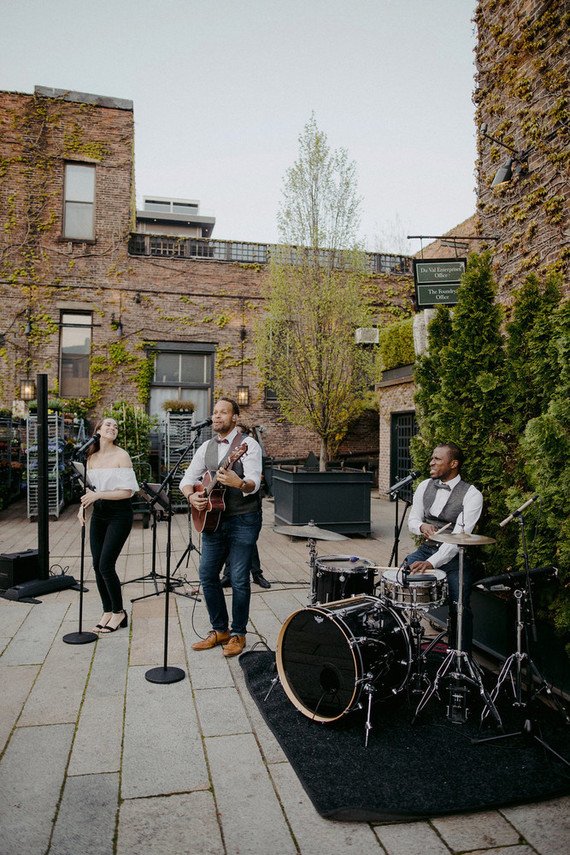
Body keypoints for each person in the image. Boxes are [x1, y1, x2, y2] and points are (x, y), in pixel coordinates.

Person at [179, 398, 263, 657]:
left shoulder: (248, 445)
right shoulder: (206, 446)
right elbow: (188, 479)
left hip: (243, 519)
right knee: (206, 575)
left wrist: (240, 483)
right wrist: (191, 497)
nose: (216, 416)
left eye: (223, 412)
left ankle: (238, 633)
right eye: (214, 412)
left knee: (239, 579)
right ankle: (220, 630)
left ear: (234, 417)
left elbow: (254, 483)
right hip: (213, 520)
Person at [405, 443, 483, 653]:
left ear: (454, 463)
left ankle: (461, 656)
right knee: (399, 582)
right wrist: (421, 527)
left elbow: (457, 539)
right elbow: (412, 519)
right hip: (426, 549)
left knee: (460, 607)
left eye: (438, 459)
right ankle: (404, 645)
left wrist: (431, 563)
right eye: (432, 458)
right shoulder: (424, 486)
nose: (431, 462)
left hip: (457, 557)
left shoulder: (472, 494)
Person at [77, 416, 139, 634]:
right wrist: (82, 507)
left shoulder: (122, 455)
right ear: (98, 430)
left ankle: (119, 612)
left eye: (116, 426)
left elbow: (127, 492)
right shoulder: (91, 457)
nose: (113, 428)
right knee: (96, 565)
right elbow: (88, 488)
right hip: (100, 514)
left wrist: (98, 495)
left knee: (106, 565)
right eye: (108, 425)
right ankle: (107, 610)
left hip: (119, 514)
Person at [220, 422, 270, 590]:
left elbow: (254, 480)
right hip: (228, 510)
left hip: (248, 509)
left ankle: (257, 574)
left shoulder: (250, 448)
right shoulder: (225, 450)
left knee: (249, 545)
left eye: (239, 435)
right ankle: (228, 575)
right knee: (229, 543)